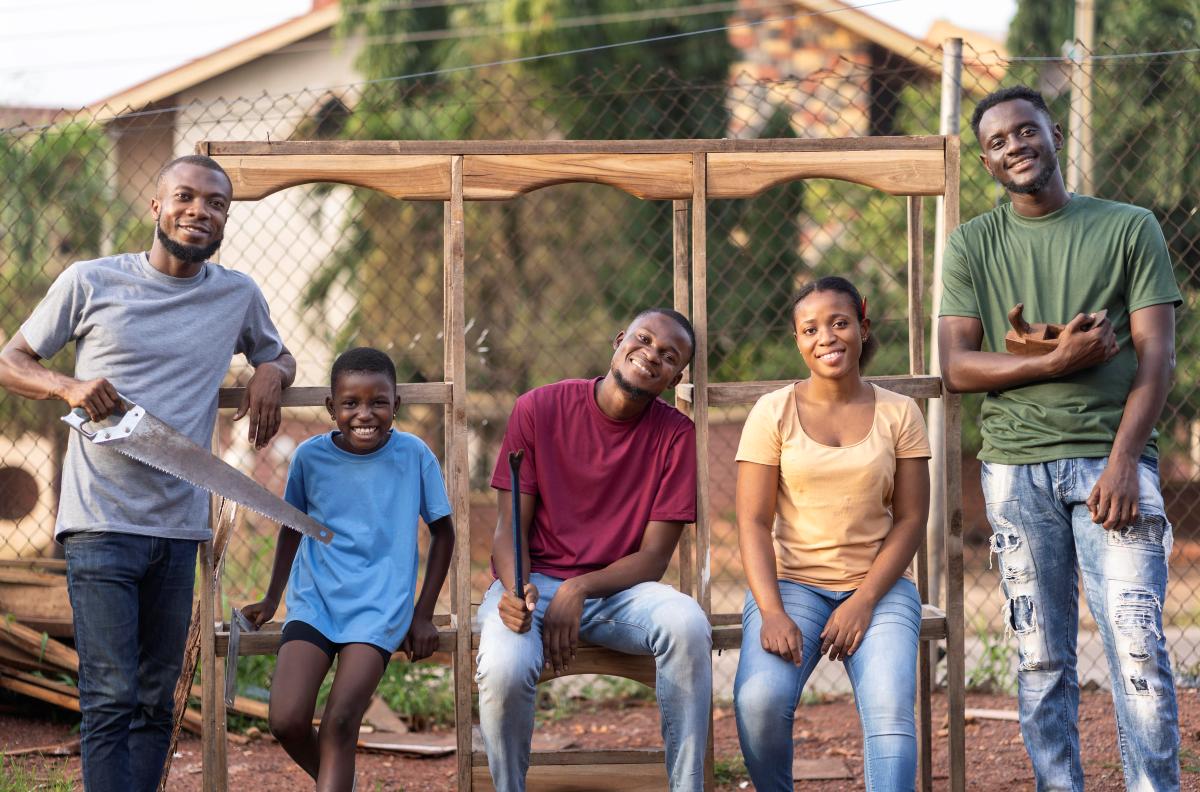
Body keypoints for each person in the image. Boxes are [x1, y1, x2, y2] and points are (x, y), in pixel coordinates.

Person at [0, 154, 296, 792]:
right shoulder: (91, 281)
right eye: (185, 197)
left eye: (215, 203)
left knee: (158, 700)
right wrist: (67, 386)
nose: (200, 211)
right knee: (111, 694)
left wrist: (272, 370)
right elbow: (10, 360)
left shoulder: (237, 294)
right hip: (100, 522)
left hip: (179, 528)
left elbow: (279, 353)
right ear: (156, 206)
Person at [939, 85, 1181, 790]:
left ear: (1054, 134)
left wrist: (1124, 462)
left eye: (1026, 130)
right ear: (986, 162)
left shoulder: (1129, 227)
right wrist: (1056, 360)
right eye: (997, 141)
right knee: (1040, 659)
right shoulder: (972, 244)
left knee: (1137, 650)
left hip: (1112, 463)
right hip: (1016, 471)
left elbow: (1158, 356)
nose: (1014, 146)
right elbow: (956, 367)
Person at [475, 308, 710, 792]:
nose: (651, 355)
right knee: (503, 669)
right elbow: (509, 528)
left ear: (675, 379)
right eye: (643, 339)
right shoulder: (538, 408)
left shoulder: (676, 435)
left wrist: (579, 588)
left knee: (688, 624)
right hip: (532, 587)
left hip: (619, 593)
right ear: (620, 340)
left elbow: (654, 558)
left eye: (669, 357)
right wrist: (516, 589)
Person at [733, 277, 930, 791]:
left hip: (879, 588)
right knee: (759, 701)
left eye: (839, 323)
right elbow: (752, 522)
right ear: (798, 340)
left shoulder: (900, 412)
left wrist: (863, 601)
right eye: (811, 329)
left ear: (863, 327)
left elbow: (911, 519)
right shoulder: (773, 412)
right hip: (792, 586)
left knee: (891, 713)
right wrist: (771, 611)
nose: (826, 337)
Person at [242, 346, 454, 792]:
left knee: (340, 721)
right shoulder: (309, 457)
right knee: (286, 719)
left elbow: (444, 534)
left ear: (396, 404)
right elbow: (292, 528)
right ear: (330, 407)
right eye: (351, 403)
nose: (365, 414)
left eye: (378, 402)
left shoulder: (414, 455)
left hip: (380, 607)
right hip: (316, 601)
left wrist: (422, 614)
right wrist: (272, 598)